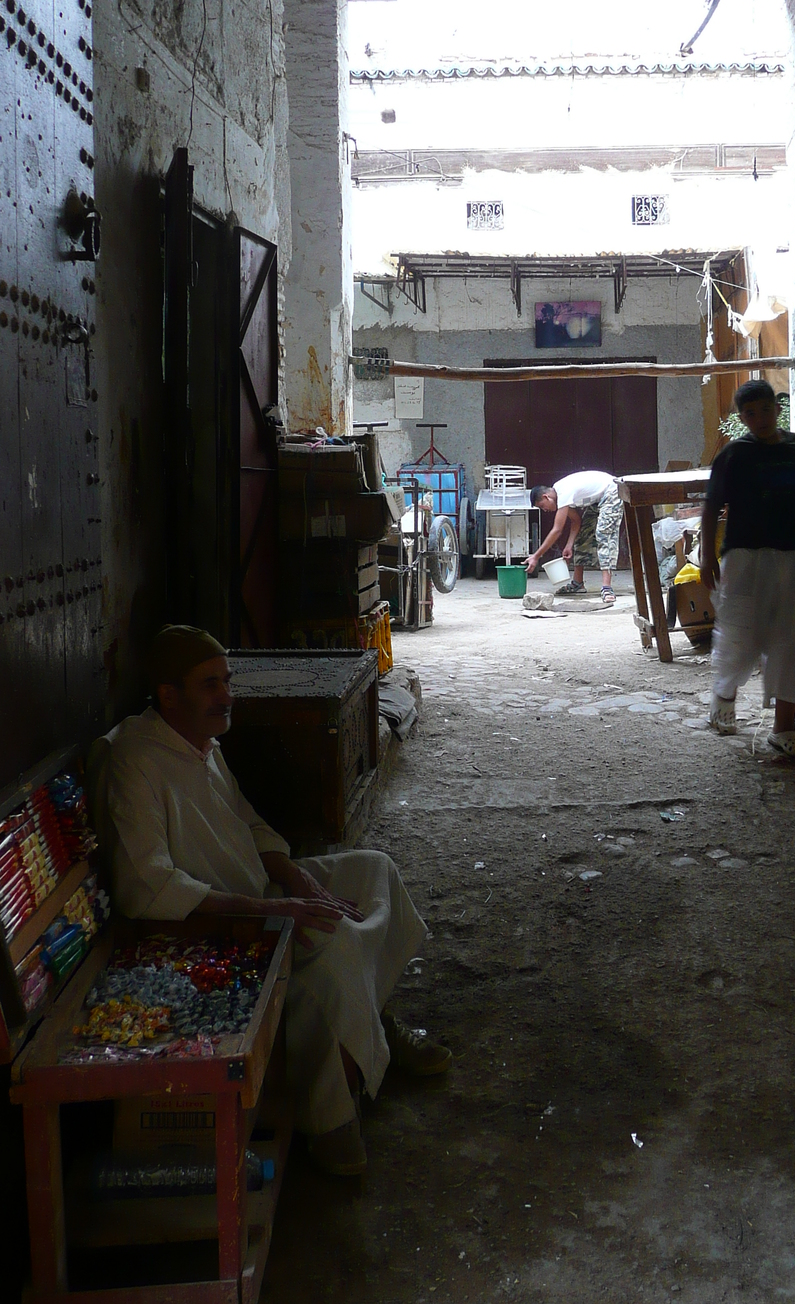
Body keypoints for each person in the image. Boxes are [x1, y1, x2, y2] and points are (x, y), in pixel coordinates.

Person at [94, 625, 450, 1178]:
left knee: (373, 871)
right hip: (216, 923)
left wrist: (297, 880)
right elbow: (149, 885)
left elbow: (248, 822)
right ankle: (331, 1119)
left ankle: (376, 1024)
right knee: (331, 948)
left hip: (261, 892)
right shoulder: (135, 760)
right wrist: (272, 911)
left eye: (227, 682)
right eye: (211, 684)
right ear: (168, 695)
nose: (226, 696)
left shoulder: (199, 741)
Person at [700, 380, 795, 759]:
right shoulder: (734, 455)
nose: (760, 419)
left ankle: (785, 728)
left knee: (794, 641)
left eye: (765, 409)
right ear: (742, 418)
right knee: (740, 634)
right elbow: (711, 508)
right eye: (750, 413)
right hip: (745, 558)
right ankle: (723, 702)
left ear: (778, 407)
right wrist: (708, 557)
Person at [526, 470, 623, 606]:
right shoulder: (560, 495)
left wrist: (536, 556)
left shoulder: (563, 492)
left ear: (546, 497)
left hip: (612, 491)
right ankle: (578, 583)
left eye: (542, 506)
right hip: (597, 500)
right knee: (583, 534)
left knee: (603, 534)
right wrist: (569, 545)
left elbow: (557, 530)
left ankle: (607, 587)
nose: (545, 510)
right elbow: (576, 521)